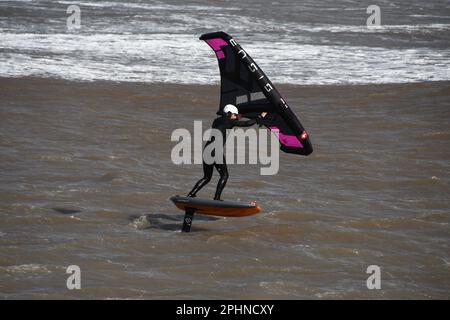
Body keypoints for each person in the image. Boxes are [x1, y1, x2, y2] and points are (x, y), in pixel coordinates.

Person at [187, 104, 266, 200]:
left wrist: (239, 116)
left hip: (207, 149)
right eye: (235, 115)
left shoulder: (216, 120)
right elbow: (247, 124)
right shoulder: (230, 121)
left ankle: (191, 194)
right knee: (224, 175)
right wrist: (260, 117)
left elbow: (229, 121)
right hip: (216, 151)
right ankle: (216, 198)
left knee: (207, 177)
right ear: (229, 113)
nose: (236, 117)